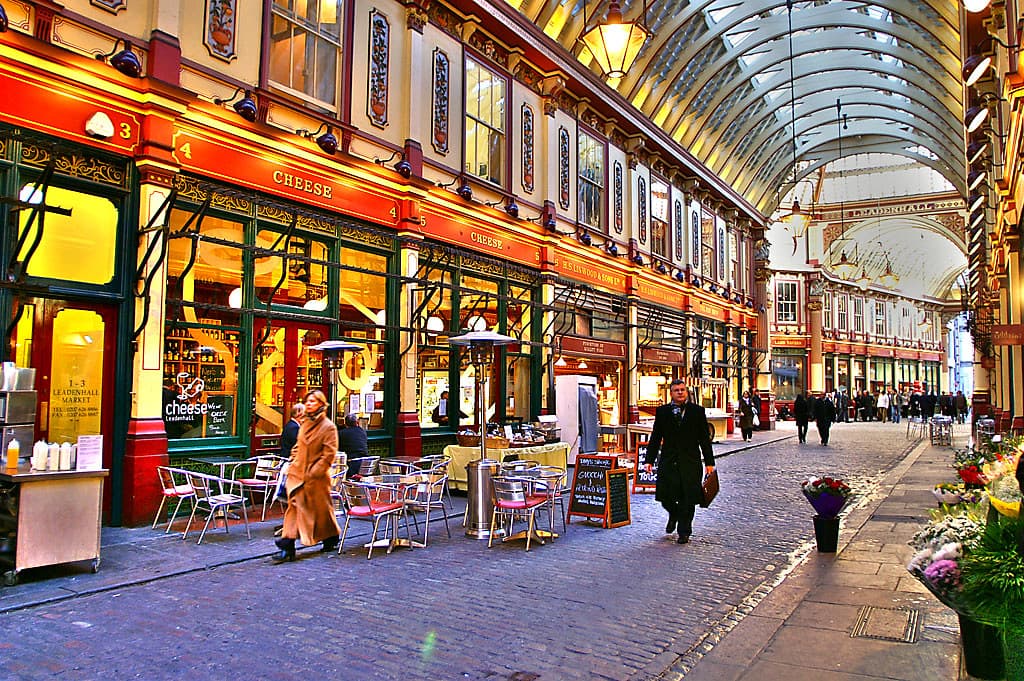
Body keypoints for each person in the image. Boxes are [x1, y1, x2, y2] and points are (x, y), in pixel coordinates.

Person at [642, 380, 715, 545]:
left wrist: (709, 462)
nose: (680, 392)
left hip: (690, 462)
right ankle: (673, 513)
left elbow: (704, 439)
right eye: (676, 390)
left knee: (688, 499)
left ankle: (684, 531)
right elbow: (655, 437)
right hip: (669, 461)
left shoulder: (697, 412)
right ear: (671, 393)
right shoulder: (662, 412)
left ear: (687, 392)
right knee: (665, 495)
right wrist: (649, 460)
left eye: (682, 390)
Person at [273, 390, 341, 563]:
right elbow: (298, 445)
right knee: (295, 507)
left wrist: (314, 472)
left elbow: (328, 454)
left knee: (321, 511)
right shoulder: (304, 423)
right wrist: (292, 460)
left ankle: (330, 536)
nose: (309, 404)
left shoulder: (328, 427)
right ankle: (287, 543)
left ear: (321, 404)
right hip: (297, 475)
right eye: (307, 401)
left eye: (313, 401)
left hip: (315, 479)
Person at [338, 413, 369, 478]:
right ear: (357, 422)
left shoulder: (342, 433)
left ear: (345, 423)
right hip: (365, 464)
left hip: (351, 466)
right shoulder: (363, 432)